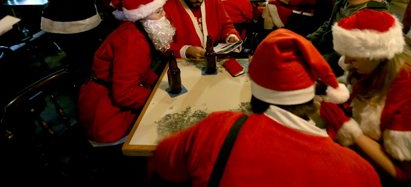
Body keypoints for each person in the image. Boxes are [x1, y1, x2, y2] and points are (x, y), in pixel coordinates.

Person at [148, 28, 379, 186]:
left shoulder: (216, 129)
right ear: (315, 98)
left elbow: (163, 161)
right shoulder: (359, 172)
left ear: (254, 90)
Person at [318, 9, 411, 185]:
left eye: (352, 59)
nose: (345, 63)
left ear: (376, 55)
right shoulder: (372, 69)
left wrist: (348, 128)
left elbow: (404, 175)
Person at [78, 0, 175, 145]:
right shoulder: (133, 40)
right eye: (158, 12)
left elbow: (139, 70)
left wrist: (160, 85)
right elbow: (124, 94)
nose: (164, 15)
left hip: (107, 99)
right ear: (142, 15)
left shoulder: (137, 30)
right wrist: (158, 97)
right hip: (107, 116)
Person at [307, 0, 388, 75]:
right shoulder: (344, 1)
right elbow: (329, 25)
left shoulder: (373, 17)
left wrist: (315, 61)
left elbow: (347, 56)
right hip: (324, 53)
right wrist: (309, 41)